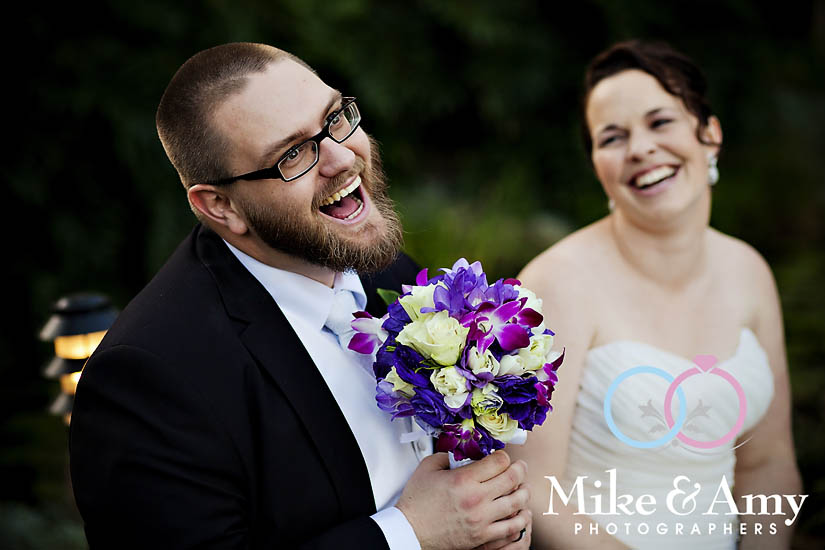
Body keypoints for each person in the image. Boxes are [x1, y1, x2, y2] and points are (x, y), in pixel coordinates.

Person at [69, 43, 532, 550]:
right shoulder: (148, 378)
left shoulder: (387, 272)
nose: (341, 157)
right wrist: (410, 534)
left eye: (335, 118)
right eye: (291, 155)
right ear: (221, 206)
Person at [509, 40, 802, 549]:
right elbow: (533, 489)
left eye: (660, 122)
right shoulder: (556, 283)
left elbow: (768, 462)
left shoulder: (749, 271)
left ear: (710, 135)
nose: (640, 148)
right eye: (613, 137)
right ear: (597, 165)